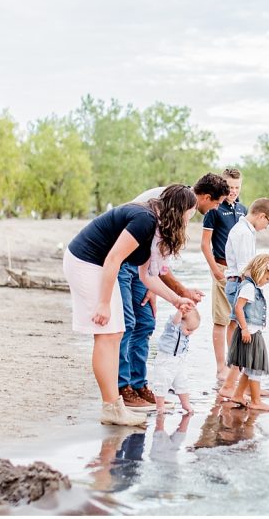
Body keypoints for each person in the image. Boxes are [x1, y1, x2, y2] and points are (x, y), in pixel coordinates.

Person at [63, 183, 197, 426]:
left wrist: (177, 299)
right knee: (107, 333)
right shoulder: (145, 220)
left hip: (98, 266)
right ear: (179, 211)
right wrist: (103, 303)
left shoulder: (155, 228)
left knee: (115, 332)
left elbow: (147, 277)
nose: (191, 219)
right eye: (191, 213)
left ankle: (114, 406)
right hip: (86, 262)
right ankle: (112, 408)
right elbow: (113, 258)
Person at [117, 174, 230, 411]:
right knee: (127, 323)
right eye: (217, 203)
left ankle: (139, 384)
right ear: (206, 197)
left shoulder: (185, 207)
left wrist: (157, 289)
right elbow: (148, 244)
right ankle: (122, 387)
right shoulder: (169, 199)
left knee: (146, 323)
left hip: (144, 263)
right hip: (124, 259)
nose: (216, 209)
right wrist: (179, 291)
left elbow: (159, 257)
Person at [217, 198, 269, 397]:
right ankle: (231, 387)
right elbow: (247, 268)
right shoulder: (243, 233)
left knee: (245, 338)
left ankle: (245, 386)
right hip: (240, 284)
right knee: (244, 339)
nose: (267, 227)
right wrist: (258, 282)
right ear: (261, 216)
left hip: (239, 283)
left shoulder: (245, 230)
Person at [201, 168, 247, 381]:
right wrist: (216, 271)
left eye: (237, 187)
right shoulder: (214, 210)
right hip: (221, 269)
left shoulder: (243, 210)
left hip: (240, 273)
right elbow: (204, 244)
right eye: (230, 187)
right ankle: (221, 368)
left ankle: (234, 365)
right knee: (220, 320)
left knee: (236, 321)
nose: (233, 191)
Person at [226, 254, 269, 412]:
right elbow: (238, 308)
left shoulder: (250, 286)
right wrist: (244, 329)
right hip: (249, 331)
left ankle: (238, 395)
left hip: (252, 331)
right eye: (267, 278)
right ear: (261, 271)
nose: (267, 282)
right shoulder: (249, 287)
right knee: (255, 368)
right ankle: (256, 401)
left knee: (250, 368)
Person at [149, 304, 200, 415]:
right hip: (165, 360)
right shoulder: (173, 327)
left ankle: (185, 403)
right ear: (181, 321)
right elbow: (174, 321)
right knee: (161, 383)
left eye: (192, 330)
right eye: (189, 329)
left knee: (182, 383)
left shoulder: (184, 330)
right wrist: (180, 312)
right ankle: (160, 406)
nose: (190, 333)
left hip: (179, 360)